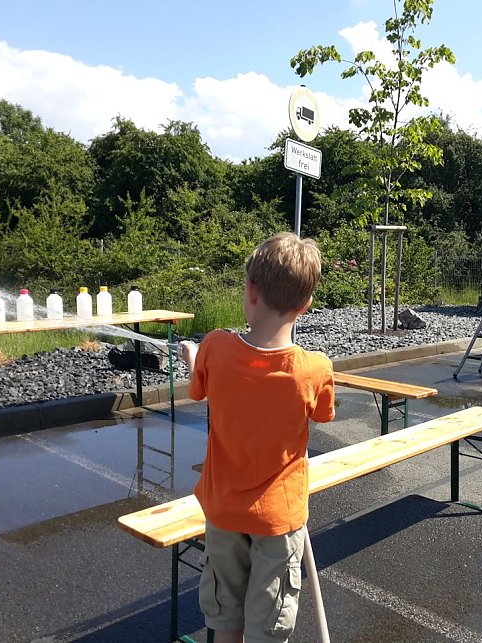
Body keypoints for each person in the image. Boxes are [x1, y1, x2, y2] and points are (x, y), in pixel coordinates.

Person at [180, 232, 335, 643]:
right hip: (277, 519)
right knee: (268, 628)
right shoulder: (315, 368)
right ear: (305, 306)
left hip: (223, 511)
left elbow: (199, 388)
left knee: (225, 620)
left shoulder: (213, 347)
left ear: (250, 291)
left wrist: (193, 358)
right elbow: (322, 413)